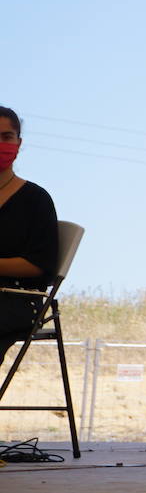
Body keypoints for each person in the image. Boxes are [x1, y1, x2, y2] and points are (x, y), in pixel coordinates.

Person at [0, 107, 59, 357]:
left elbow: (39, 265)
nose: (1, 144)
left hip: (16, 299)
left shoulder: (37, 199)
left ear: (19, 142)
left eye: (7, 137)